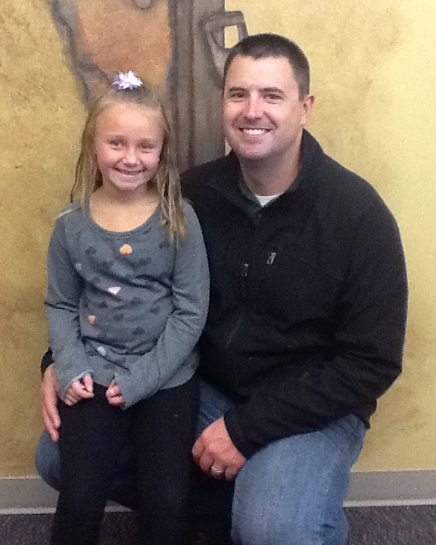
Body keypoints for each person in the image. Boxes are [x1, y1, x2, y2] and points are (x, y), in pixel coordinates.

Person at [36, 34, 408, 545]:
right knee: (60, 454)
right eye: (238, 94)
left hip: (307, 408)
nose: (252, 111)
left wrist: (245, 431)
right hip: (205, 389)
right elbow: (113, 285)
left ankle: (280, 508)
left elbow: (372, 363)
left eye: (272, 96)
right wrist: (58, 361)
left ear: (305, 108)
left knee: (275, 530)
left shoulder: (358, 216)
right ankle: (234, 503)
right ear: (223, 104)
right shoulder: (188, 197)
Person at [44, 71, 209, 545]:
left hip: (166, 379)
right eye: (116, 143)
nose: (131, 158)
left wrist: (143, 379)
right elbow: (61, 302)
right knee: (79, 496)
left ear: (161, 152)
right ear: (93, 146)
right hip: (93, 375)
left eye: (145, 146)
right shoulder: (70, 226)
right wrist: (70, 366)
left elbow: (191, 311)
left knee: (167, 501)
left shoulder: (179, 219)